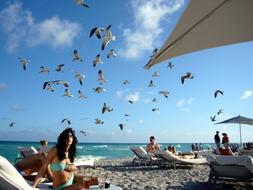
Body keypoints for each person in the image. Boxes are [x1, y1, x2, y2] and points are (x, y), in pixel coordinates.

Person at [32, 128, 98, 189]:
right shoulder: (55, 150)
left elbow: (71, 168)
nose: (68, 138)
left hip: (72, 179)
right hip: (61, 187)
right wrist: (33, 186)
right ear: (63, 139)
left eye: (70, 136)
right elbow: (43, 168)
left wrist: (73, 168)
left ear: (73, 139)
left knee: (98, 179)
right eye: (66, 136)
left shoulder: (71, 153)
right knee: (83, 184)